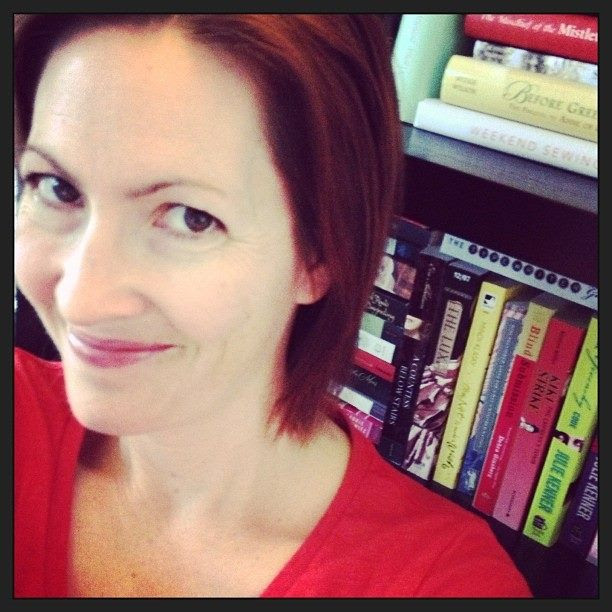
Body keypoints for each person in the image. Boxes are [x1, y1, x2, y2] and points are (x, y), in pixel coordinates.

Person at [14, 14, 532, 598]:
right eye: (56, 187)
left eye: (190, 218)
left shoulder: (443, 586)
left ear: (319, 253)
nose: (81, 299)